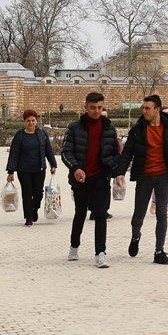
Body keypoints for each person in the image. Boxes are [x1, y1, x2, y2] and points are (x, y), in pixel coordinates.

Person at [113, 95, 168, 265]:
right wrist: (120, 173)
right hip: (144, 176)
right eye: (143, 108)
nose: (144, 111)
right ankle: (135, 236)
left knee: (161, 214)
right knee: (138, 215)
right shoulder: (137, 129)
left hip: (163, 176)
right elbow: (127, 153)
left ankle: (159, 251)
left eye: (147, 108)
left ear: (157, 109)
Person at [61, 92, 120, 268]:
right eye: (93, 107)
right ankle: (74, 245)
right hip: (81, 179)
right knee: (80, 213)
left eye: (100, 107)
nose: (96, 111)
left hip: (101, 178)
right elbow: (66, 152)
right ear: (85, 107)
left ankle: (100, 253)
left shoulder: (109, 129)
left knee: (101, 214)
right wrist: (75, 168)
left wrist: (116, 172)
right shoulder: (74, 128)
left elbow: (115, 154)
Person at [6, 109, 58, 226]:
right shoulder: (20, 135)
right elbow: (14, 154)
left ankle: (34, 208)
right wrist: (10, 172)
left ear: (36, 121)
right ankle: (28, 217)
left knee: (39, 193)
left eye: (33, 120)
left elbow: (48, 150)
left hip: (39, 169)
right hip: (24, 170)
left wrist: (53, 164)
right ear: (24, 122)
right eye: (28, 121)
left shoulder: (42, 134)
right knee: (27, 193)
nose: (31, 123)